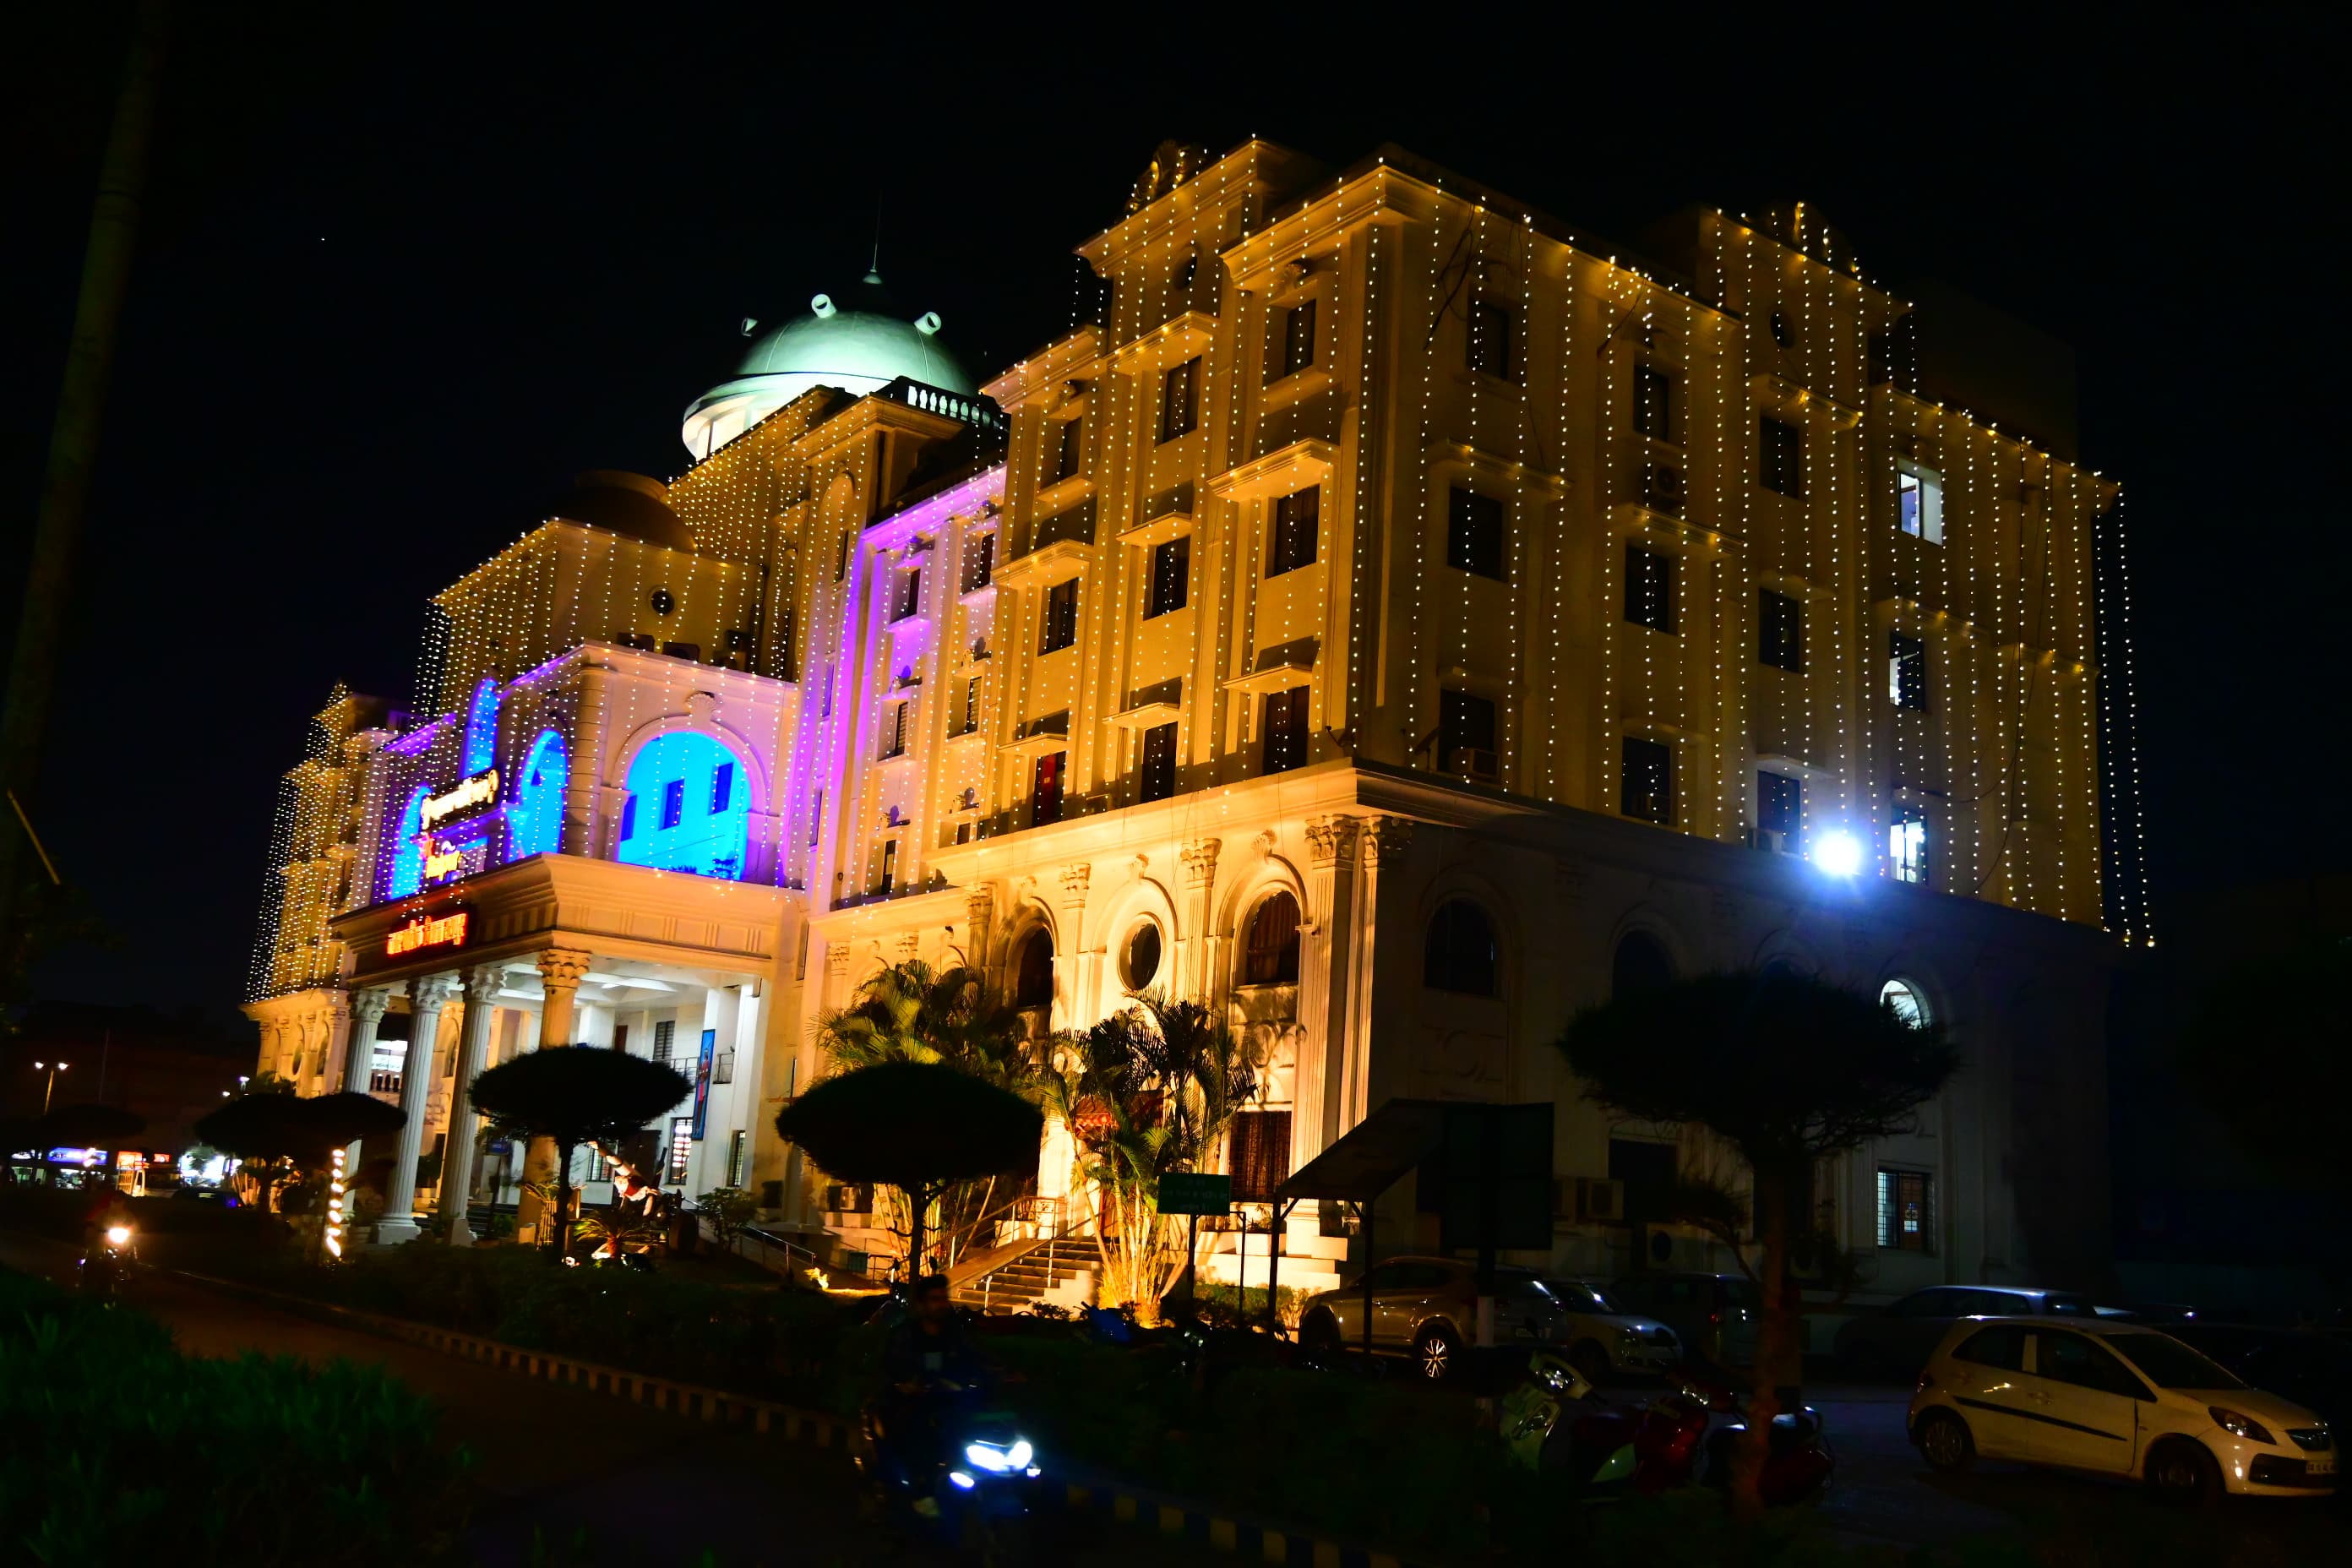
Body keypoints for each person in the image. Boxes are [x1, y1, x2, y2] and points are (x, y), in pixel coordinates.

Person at [873, 1275, 986, 1512]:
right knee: (919, 1433)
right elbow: (893, 1366)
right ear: (922, 1304)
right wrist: (906, 1383)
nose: (941, 1304)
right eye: (935, 1299)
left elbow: (975, 1357)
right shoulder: (906, 1335)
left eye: (943, 1298)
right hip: (911, 1404)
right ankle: (919, 1491)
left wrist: (1001, 1373)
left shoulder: (954, 1333)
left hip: (948, 1401)